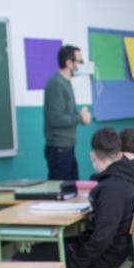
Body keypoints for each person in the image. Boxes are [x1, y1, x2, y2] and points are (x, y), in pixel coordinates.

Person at [19, 128, 134, 268]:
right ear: (120, 154)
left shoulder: (112, 188)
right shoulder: (127, 177)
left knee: (28, 259)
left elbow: (102, 238)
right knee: (45, 249)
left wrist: (76, 262)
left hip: (108, 255)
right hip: (118, 250)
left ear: (92, 155)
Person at [43, 44, 92, 180]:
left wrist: (80, 116)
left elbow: (67, 114)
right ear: (69, 63)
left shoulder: (66, 82)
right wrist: (79, 118)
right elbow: (55, 118)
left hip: (67, 147)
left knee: (72, 191)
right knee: (61, 193)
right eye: (80, 61)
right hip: (59, 149)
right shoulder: (57, 84)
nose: (82, 65)